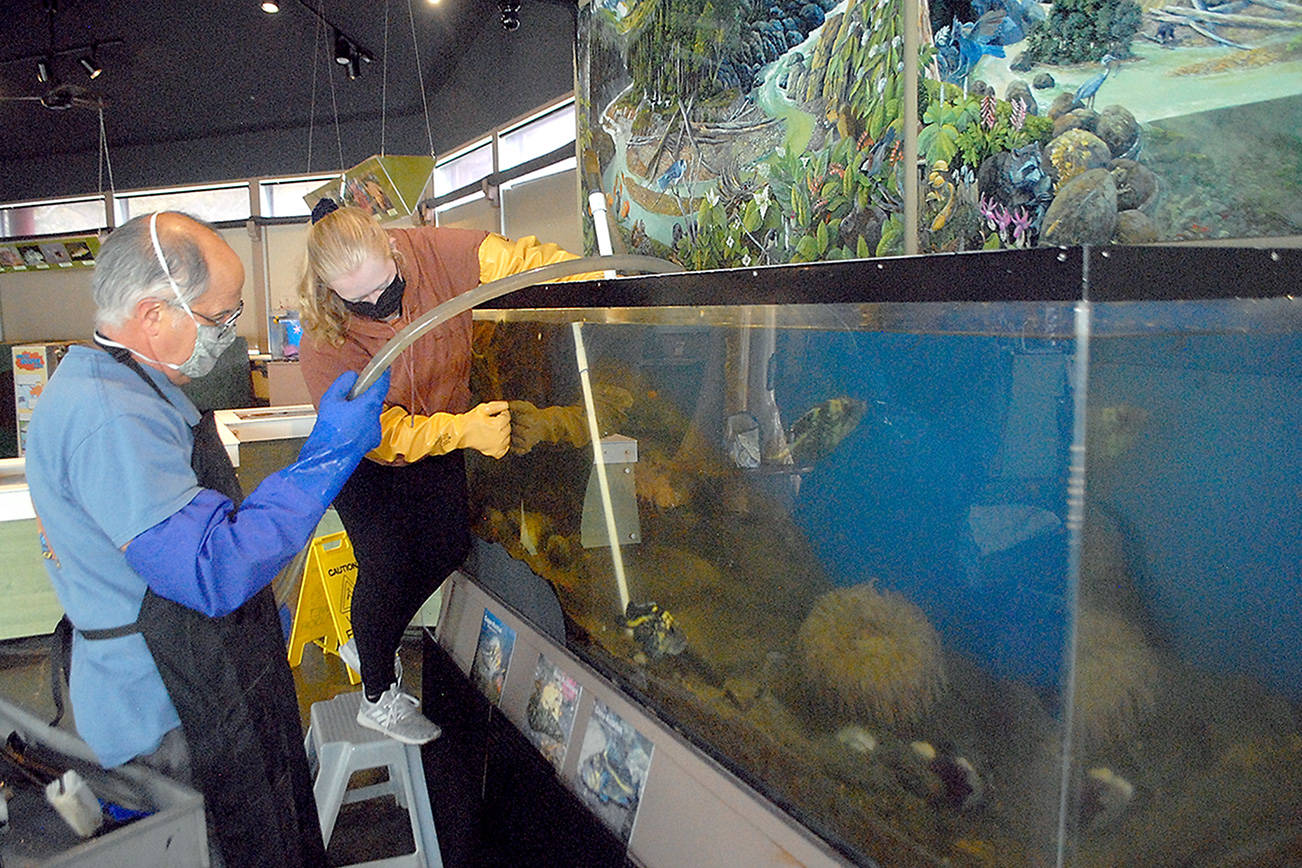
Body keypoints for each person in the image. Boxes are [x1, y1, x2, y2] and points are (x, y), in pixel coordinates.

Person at [25, 211, 391, 867]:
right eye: (219, 318)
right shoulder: (111, 417)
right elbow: (210, 570)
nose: (227, 335)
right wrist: (325, 458)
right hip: (169, 708)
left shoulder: (125, 386)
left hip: (198, 670)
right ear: (153, 314)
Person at [296, 200, 592, 744]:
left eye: (384, 286)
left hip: (444, 430)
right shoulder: (322, 341)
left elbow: (524, 260)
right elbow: (380, 437)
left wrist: (599, 278)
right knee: (385, 563)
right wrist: (464, 431)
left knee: (449, 544)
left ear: (392, 246)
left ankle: (370, 640)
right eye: (357, 300)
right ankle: (377, 695)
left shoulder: (434, 252)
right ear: (327, 290)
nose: (378, 305)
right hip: (366, 457)